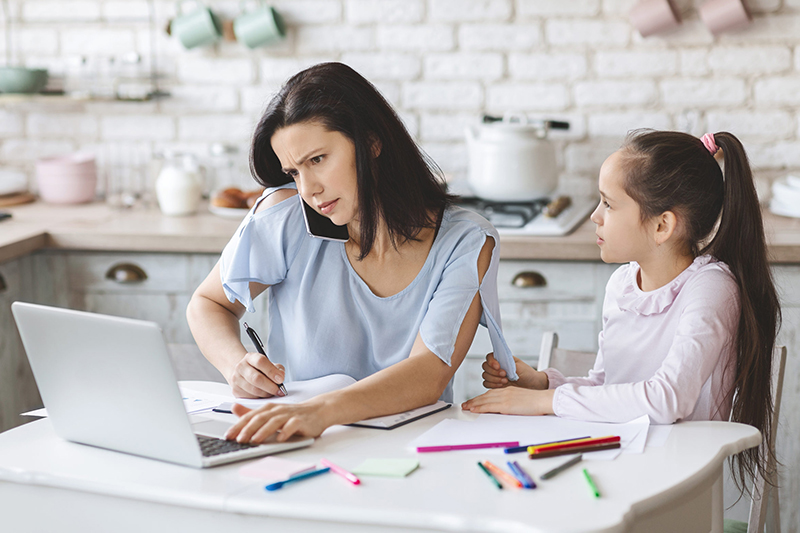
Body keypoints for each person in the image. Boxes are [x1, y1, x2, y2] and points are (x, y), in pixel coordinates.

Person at [186, 62, 516, 445]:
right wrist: (236, 366)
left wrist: (320, 412)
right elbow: (208, 303)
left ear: (372, 143)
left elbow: (429, 372)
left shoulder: (466, 240)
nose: (308, 188)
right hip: (298, 441)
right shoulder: (286, 218)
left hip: (408, 451)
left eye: (317, 160)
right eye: (294, 172)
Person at [462, 129, 780, 489]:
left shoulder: (710, 289)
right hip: (619, 468)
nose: (595, 216)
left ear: (662, 225)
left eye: (608, 204)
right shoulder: (621, 285)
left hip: (680, 486)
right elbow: (607, 385)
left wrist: (547, 402)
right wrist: (542, 383)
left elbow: (666, 399)